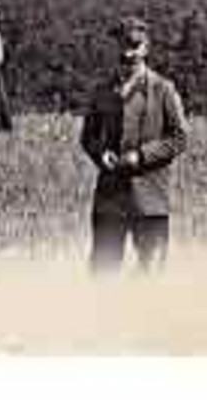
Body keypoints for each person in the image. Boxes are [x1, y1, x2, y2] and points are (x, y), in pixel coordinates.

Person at [78, 16, 188, 274]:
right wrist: (100, 154)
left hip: (151, 202)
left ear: (145, 49)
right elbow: (88, 136)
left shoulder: (163, 90)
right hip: (109, 199)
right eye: (122, 45)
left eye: (134, 45)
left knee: (151, 279)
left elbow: (179, 138)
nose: (127, 52)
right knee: (102, 276)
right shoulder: (101, 91)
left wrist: (141, 157)